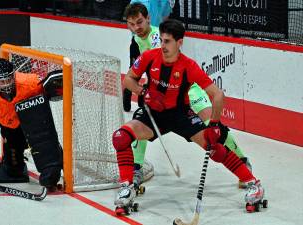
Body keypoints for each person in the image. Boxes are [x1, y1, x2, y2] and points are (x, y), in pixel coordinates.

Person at [112, 19, 264, 212]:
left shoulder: (188, 66)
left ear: (179, 42)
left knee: (214, 148)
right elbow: (128, 80)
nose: (163, 46)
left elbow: (217, 95)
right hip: (154, 114)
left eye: (168, 41)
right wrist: (143, 92)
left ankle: (253, 183)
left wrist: (214, 124)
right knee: (121, 137)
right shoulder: (150, 57)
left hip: (180, 114)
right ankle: (126, 187)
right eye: (162, 41)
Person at [123, 3, 252, 190]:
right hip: (166, 94)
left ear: (148, 19)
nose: (136, 28)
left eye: (140, 22)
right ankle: (136, 167)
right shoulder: (134, 43)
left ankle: (242, 161)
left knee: (213, 127)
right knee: (143, 119)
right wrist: (141, 92)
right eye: (131, 24)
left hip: (188, 90)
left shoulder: (157, 37)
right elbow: (135, 72)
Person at [0, 58, 63, 191]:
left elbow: (46, 90)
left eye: (9, 79)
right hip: (11, 129)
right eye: (2, 82)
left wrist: (54, 88)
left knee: (42, 133)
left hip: (34, 122)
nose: (7, 84)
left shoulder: (29, 83)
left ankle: (51, 164)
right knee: (14, 170)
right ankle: (16, 162)